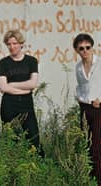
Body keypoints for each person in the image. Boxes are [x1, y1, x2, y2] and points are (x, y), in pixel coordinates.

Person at [0, 29, 41, 150]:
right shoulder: (3, 63)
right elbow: (2, 87)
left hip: (26, 103)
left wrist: (11, 85)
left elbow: (33, 83)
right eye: (9, 44)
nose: (12, 46)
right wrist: (24, 88)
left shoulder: (31, 61)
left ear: (21, 44)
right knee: (10, 138)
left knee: (33, 137)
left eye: (14, 43)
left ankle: (38, 164)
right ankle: (13, 165)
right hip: (8, 103)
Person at [73, 33, 101, 185]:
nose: (85, 51)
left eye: (87, 47)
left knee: (97, 145)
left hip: (98, 108)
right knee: (87, 143)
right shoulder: (78, 67)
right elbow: (80, 86)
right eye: (81, 48)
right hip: (84, 108)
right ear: (77, 50)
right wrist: (79, 98)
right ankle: (90, 178)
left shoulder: (100, 63)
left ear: (92, 47)